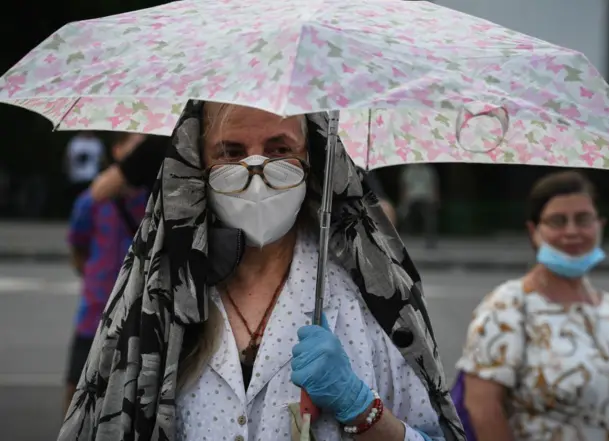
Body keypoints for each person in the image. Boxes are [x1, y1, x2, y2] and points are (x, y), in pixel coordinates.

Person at [59, 102, 464, 441]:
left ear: (313, 158)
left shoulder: (372, 293)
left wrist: (362, 408)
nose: (257, 173)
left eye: (279, 148)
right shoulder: (158, 294)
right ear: (196, 166)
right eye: (231, 152)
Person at [454, 171, 609, 440]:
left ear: (600, 225)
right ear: (534, 231)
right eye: (557, 221)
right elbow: (482, 408)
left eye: (583, 219)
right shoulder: (508, 305)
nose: (572, 231)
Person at [89, 135, 399, 226]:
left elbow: (383, 213)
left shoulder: (327, 145)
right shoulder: (170, 140)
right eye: (230, 152)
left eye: (278, 149)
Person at [63, 132, 148, 410]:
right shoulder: (92, 200)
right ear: (117, 151)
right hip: (95, 313)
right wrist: (93, 279)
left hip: (140, 316)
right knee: (77, 393)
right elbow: (78, 245)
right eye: (134, 149)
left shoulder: (155, 200)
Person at [398, 164, 439, 248]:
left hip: (426, 197)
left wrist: (435, 199)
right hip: (412, 197)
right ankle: (406, 235)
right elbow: (404, 187)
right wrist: (403, 202)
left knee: (429, 217)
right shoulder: (408, 170)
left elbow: (433, 185)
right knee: (405, 214)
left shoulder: (428, 170)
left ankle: (430, 239)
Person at [64, 131, 105, 212]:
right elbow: (67, 158)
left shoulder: (96, 143)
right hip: (76, 177)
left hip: (91, 177)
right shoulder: (74, 142)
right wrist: (67, 173)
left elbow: (102, 160)